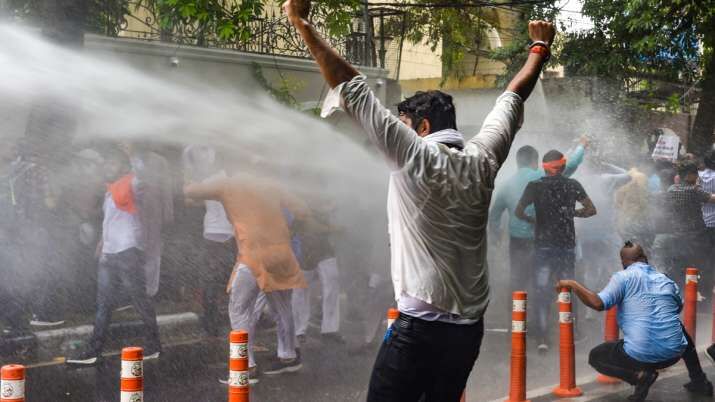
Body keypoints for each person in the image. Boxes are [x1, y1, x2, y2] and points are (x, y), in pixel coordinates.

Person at [285, 0, 555, 399]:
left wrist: (301, 21)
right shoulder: (483, 158)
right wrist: (539, 49)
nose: (399, 130)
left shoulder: (413, 153)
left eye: (406, 124)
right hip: (467, 331)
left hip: (421, 328)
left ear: (423, 126)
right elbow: (514, 95)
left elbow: (352, 86)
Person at [556, 242, 713, 402]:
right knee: (678, 329)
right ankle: (699, 381)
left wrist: (573, 284)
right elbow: (677, 308)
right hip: (673, 354)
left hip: (639, 356)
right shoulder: (665, 279)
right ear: (644, 258)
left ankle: (638, 376)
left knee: (596, 356)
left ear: (623, 262)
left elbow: (598, 303)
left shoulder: (622, 277)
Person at [184, 173, 307, 377]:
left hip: (254, 254)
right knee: (282, 307)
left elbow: (189, 192)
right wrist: (288, 231)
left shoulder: (227, 183)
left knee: (239, 308)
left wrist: (185, 178)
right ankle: (289, 356)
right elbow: (302, 210)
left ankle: (244, 367)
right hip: (281, 252)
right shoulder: (271, 181)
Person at [66, 147, 161, 365]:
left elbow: (143, 183)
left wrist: (133, 158)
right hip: (110, 254)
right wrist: (103, 242)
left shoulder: (132, 183)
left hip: (128, 252)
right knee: (104, 305)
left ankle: (154, 345)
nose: (107, 167)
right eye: (106, 164)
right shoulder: (111, 189)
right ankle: (93, 350)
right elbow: (111, 220)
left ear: (123, 165)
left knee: (139, 300)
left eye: (111, 163)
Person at [515, 150, 596, 351]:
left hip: (543, 244)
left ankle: (543, 337)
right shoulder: (572, 185)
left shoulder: (534, 186)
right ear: (561, 166)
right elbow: (591, 210)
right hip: (566, 245)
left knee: (541, 290)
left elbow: (518, 211)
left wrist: (535, 221)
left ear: (544, 166)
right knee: (568, 287)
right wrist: (571, 213)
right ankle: (572, 332)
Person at [490, 140, 586, 292]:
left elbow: (494, 215)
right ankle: (543, 310)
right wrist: (582, 146)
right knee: (543, 280)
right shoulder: (542, 176)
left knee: (518, 280)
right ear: (535, 162)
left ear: (518, 162)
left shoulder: (505, 185)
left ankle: (516, 313)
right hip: (541, 238)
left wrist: (497, 235)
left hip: (517, 241)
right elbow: (571, 165)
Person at [182, 145, 236, 336]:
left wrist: (187, 180)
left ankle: (211, 324)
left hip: (214, 236)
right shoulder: (232, 181)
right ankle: (237, 321)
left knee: (209, 281)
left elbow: (189, 199)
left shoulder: (210, 181)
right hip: (232, 235)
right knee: (233, 281)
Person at [652, 160, 715, 291]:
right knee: (700, 265)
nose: (697, 176)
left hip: (678, 233)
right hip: (697, 235)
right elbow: (711, 198)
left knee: (681, 266)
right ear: (689, 175)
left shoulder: (672, 189)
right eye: (695, 174)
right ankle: (698, 293)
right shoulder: (694, 190)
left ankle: (681, 291)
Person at [292, 198, 344, 345]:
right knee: (300, 291)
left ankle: (330, 329)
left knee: (332, 286)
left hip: (325, 250)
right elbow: (307, 224)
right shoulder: (299, 199)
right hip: (306, 251)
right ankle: (299, 330)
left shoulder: (327, 196)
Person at [700, 149, 715, 303]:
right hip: (713, 224)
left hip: (701, 222)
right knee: (712, 259)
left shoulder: (699, 176)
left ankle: (702, 288)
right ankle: (707, 289)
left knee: (704, 258)